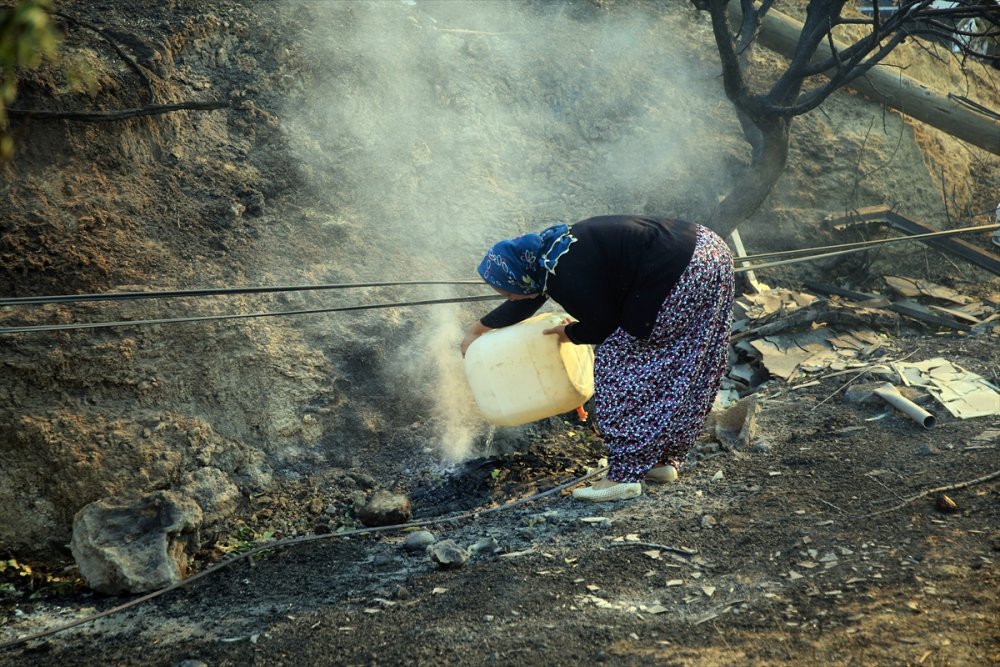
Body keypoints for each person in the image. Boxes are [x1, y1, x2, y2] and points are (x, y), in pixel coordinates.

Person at [461, 215, 735, 502]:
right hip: (711, 253)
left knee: (618, 365)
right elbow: (528, 299)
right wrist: (476, 331)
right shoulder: (551, 254)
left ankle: (622, 478)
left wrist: (570, 333)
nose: (510, 298)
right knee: (681, 362)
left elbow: (603, 325)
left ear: (519, 276)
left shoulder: (562, 272)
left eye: (507, 291)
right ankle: (661, 460)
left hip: (683, 269)